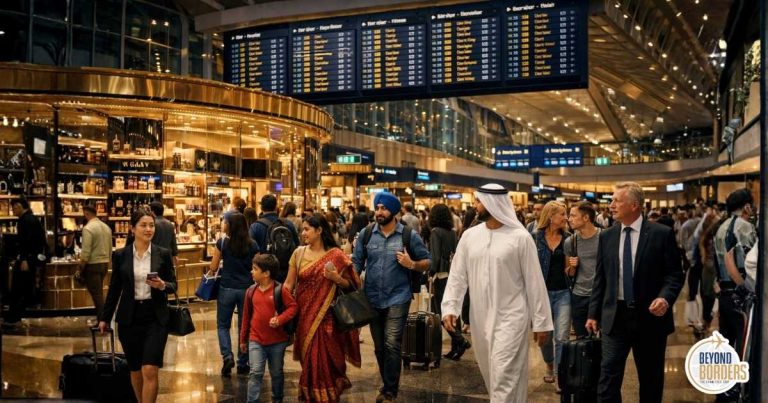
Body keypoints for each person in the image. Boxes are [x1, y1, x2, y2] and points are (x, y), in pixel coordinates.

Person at [441, 183, 552, 401]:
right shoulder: (470, 236)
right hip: (479, 318)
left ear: (493, 203)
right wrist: (450, 307)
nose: (474, 207)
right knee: (493, 376)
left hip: (512, 317)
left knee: (504, 376)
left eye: (478, 202)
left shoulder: (520, 238)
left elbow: (535, 282)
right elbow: (457, 276)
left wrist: (542, 322)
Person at [586, 182, 684, 402]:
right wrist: (593, 314)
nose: (611, 205)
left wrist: (664, 298)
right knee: (608, 377)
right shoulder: (607, 236)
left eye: (616, 200)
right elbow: (600, 279)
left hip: (650, 318)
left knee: (650, 379)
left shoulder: (661, 234)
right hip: (615, 317)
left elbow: (674, 275)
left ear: (634, 205)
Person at [351, 192, 431, 403]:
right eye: (377, 208)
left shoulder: (408, 235)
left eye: (384, 208)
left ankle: (389, 390)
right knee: (379, 346)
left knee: (392, 343)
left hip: (398, 297)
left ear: (394, 211)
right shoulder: (367, 234)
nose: (379, 212)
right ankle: (388, 381)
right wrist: (348, 279)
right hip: (372, 298)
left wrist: (411, 264)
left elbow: (427, 261)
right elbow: (356, 263)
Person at [98, 208, 176, 403]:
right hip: (129, 318)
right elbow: (115, 288)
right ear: (132, 229)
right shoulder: (121, 255)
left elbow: (174, 284)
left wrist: (162, 285)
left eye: (151, 225)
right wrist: (104, 318)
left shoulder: (162, 254)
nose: (148, 229)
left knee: (150, 368)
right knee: (135, 369)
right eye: (143, 225)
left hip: (155, 317)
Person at [285, 213, 362, 402]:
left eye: (306, 229)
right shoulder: (298, 253)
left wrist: (336, 278)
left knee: (329, 357)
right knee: (309, 357)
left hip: (328, 316)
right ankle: (311, 393)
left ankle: (328, 393)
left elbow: (354, 286)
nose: (303, 233)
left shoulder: (336, 255)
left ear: (319, 231)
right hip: (304, 315)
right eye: (302, 229)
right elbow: (288, 285)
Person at [240, 254, 298, 403]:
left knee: (276, 373)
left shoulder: (280, 290)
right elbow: (246, 317)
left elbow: (293, 307)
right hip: (256, 340)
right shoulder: (250, 291)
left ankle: (277, 399)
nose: (251, 271)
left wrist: (280, 320)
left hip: (277, 341)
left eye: (255, 269)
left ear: (266, 274)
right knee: (255, 372)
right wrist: (242, 340)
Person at [210, 212, 259, 376]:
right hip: (246, 289)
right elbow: (257, 268)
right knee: (243, 326)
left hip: (226, 288)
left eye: (225, 222)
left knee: (223, 325)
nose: (224, 224)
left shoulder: (222, 243)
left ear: (230, 225)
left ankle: (227, 356)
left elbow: (213, 266)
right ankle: (243, 362)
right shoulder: (252, 245)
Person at [713, 189, 757, 353]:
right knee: (744, 348)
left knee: (726, 346)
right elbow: (752, 263)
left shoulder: (720, 227)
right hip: (741, 295)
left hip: (724, 294)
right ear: (746, 206)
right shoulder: (745, 227)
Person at [533, 200, 571, 389]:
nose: (566, 218)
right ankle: (549, 365)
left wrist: (572, 267)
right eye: (562, 214)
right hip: (542, 294)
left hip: (564, 293)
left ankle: (559, 375)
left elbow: (571, 270)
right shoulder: (534, 238)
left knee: (562, 336)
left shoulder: (570, 238)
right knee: (544, 336)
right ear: (550, 217)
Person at [427, 204, 470, 360]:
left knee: (440, 312)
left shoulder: (435, 232)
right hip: (452, 274)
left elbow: (435, 256)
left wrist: (430, 272)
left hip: (440, 275)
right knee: (453, 311)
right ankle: (456, 347)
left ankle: (460, 340)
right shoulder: (452, 233)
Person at [5, 198, 47, 325]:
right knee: (24, 287)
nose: (13, 211)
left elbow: (25, 241)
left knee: (17, 287)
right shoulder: (33, 219)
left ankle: (13, 316)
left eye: (14, 208)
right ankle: (18, 313)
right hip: (33, 258)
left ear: (19, 206)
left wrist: (24, 259)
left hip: (27, 259)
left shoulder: (24, 221)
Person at [564, 201, 601, 338]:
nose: (569, 219)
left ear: (586, 218)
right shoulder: (570, 242)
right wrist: (572, 266)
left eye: (573, 215)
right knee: (582, 340)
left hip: (600, 295)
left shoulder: (604, 237)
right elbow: (569, 273)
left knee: (603, 339)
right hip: (579, 296)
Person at [77, 204, 112, 324]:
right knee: (99, 293)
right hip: (104, 264)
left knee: (97, 296)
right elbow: (110, 248)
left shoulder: (88, 228)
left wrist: (80, 268)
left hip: (93, 265)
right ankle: (102, 319)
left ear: (86, 213)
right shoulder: (106, 227)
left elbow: (86, 252)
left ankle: (103, 321)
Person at [149, 201, 178, 266]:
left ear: (152, 212)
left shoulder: (152, 224)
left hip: (155, 257)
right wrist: (175, 254)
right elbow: (173, 241)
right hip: (168, 257)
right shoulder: (170, 224)